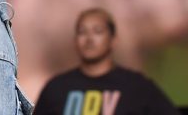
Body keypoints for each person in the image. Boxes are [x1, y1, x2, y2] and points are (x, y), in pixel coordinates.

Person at [33, 8, 178, 115]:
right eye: (82, 32)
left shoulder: (137, 86)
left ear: (113, 40)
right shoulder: (56, 88)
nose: (89, 39)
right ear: (75, 40)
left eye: (98, 31)